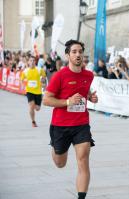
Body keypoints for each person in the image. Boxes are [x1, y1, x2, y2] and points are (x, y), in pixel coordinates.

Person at [43, 39, 98, 199]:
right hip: (60, 126)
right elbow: (47, 100)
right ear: (68, 55)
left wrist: (90, 97)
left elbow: (84, 90)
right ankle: (56, 147)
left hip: (81, 124)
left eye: (80, 51)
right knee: (60, 163)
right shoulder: (59, 76)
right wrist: (67, 102)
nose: (78, 54)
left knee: (83, 160)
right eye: (74, 52)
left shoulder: (89, 75)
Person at [21, 55, 46, 127]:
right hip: (29, 91)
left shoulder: (39, 69)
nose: (32, 62)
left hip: (38, 92)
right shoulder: (25, 71)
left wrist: (43, 82)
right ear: (28, 62)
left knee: (37, 108)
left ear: (35, 62)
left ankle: (35, 105)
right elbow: (22, 80)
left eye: (33, 60)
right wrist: (23, 85)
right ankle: (33, 121)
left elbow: (44, 77)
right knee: (31, 106)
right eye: (30, 61)